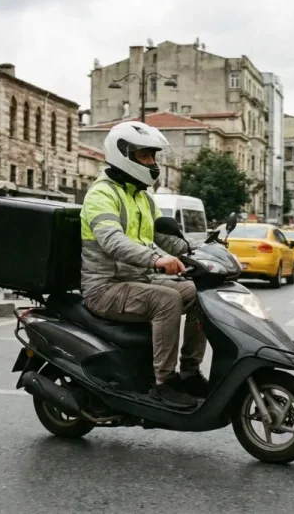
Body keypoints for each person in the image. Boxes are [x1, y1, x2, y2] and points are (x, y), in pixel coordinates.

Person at [80, 121, 208, 409]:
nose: (152, 163)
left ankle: (189, 372)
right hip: (104, 287)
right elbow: (112, 240)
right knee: (168, 300)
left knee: (200, 294)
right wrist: (156, 259)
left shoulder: (141, 196)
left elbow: (163, 236)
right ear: (122, 154)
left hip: (137, 281)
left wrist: (199, 254)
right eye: (145, 156)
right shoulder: (101, 195)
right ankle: (164, 382)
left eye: (153, 156)